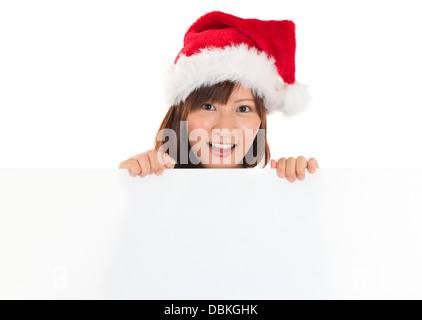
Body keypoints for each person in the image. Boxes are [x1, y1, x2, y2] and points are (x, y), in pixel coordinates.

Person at [119, 11, 319, 183]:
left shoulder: (275, 197)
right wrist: (129, 187)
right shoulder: (153, 190)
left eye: (243, 109)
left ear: (261, 121)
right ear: (182, 115)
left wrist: (298, 188)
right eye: (208, 106)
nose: (225, 127)